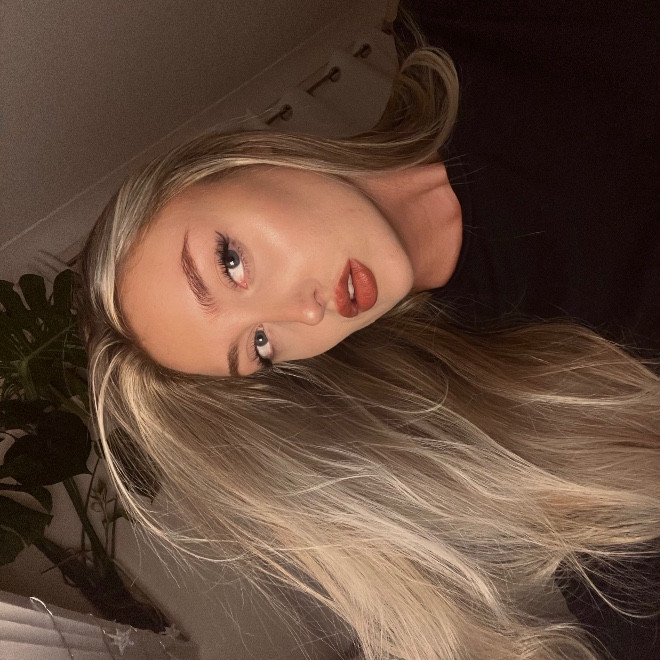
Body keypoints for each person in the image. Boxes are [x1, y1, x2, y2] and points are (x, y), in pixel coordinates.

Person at [76, 1, 660, 659]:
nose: (303, 316)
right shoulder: (534, 404)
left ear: (239, 159)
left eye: (230, 262)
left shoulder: (487, 24)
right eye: (260, 347)